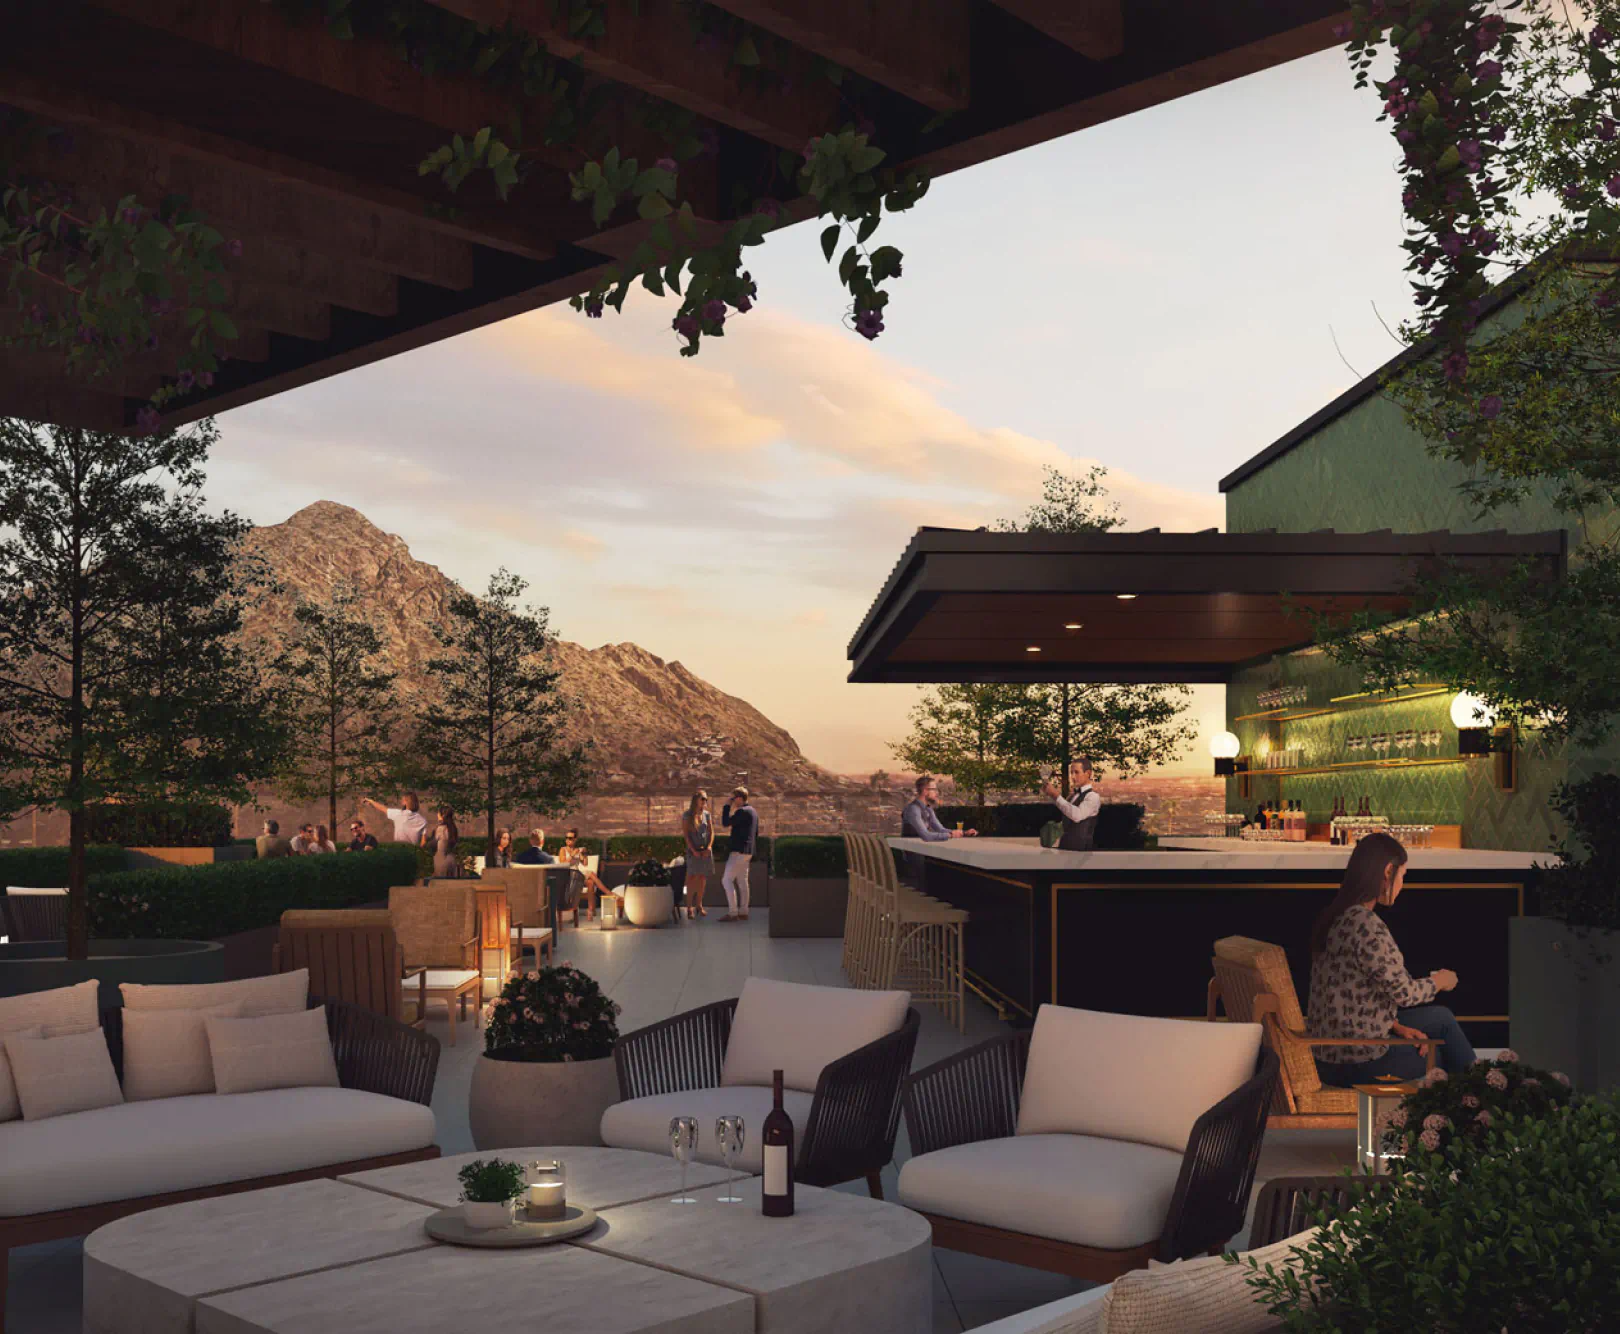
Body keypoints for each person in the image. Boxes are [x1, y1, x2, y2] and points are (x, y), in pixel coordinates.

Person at [1307, 831, 1474, 1087]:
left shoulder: (1335, 917)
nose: (1402, 884)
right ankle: (1482, 1106)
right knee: (1442, 1052)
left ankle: (1478, 1103)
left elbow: (1349, 996)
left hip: (1329, 1053)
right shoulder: (1366, 926)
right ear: (1388, 871)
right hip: (1357, 1060)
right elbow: (1404, 994)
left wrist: (1395, 1026)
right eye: (1403, 876)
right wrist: (1440, 981)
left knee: (1441, 1019)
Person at [1042, 758, 1100, 851]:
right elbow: (1067, 816)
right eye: (1071, 773)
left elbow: (1077, 815)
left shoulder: (1093, 797)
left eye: (1076, 772)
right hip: (1065, 848)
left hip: (1081, 852)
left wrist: (1056, 795)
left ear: (1088, 773)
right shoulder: (1072, 796)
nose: (1072, 777)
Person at [719, 787, 759, 923]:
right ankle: (743, 912)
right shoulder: (753, 811)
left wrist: (726, 806)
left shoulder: (742, 812)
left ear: (739, 798)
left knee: (726, 880)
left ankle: (733, 913)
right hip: (748, 852)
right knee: (742, 881)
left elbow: (725, 823)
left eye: (733, 798)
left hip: (739, 851)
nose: (732, 801)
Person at [901, 776, 978, 841]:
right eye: (934, 789)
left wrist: (963, 833)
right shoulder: (913, 809)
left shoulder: (928, 809)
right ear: (925, 791)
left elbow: (941, 830)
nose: (937, 792)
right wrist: (951, 835)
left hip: (923, 850)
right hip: (913, 854)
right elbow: (926, 836)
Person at [557, 828, 611, 920]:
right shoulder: (563, 850)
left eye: (570, 838)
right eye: (566, 838)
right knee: (590, 874)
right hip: (567, 876)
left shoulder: (577, 850)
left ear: (575, 839)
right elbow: (563, 864)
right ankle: (608, 893)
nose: (567, 840)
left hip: (576, 876)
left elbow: (585, 864)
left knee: (590, 882)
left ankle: (590, 910)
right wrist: (572, 855)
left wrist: (583, 854)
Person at [681, 791, 714, 920]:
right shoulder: (687, 815)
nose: (704, 802)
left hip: (705, 851)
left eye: (706, 799)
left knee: (702, 878)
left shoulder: (707, 815)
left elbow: (712, 832)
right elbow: (686, 835)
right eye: (702, 799)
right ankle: (689, 907)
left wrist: (709, 847)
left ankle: (699, 905)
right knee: (691, 879)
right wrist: (693, 850)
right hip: (693, 851)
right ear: (696, 800)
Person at [363, 792, 429, 847]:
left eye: (403, 800)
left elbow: (382, 808)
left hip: (399, 850)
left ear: (406, 802)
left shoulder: (398, 814)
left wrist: (371, 801)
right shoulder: (423, 820)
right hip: (413, 852)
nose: (401, 801)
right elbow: (423, 842)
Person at [429, 806, 460, 878]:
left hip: (440, 860)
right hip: (451, 860)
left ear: (442, 815)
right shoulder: (453, 828)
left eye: (438, 813)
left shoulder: (440, 829)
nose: (437, 814)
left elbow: (432, 845)